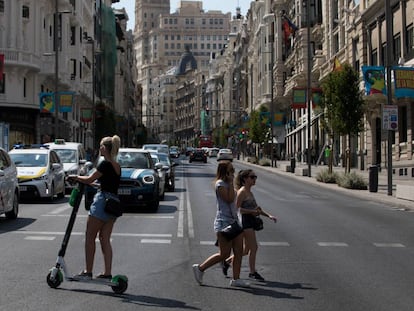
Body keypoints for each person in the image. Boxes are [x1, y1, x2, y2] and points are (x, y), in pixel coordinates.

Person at [68, 135, 121, 280]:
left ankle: (88, 271)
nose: (99, 149)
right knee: (105, 239)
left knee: (90, 236)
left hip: (102, 202)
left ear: (105, 148)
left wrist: (76, 177)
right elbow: (107, 184)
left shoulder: (104, 164)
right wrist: (92, 184)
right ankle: (107, 273)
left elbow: (90, 178)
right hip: (113, 204)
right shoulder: (117, 165)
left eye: (101, 146)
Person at [192, 161, 250, 288]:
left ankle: (236, 279)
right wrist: (229, 183)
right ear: (225, 172)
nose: (233, 172)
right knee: (224, 254)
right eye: (231, 170)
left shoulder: (230, 185)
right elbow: (228, 199)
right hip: (223, 223)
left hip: (235, 222)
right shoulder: (220, 184)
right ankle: (200, 268)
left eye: (233, 169)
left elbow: (234, 202)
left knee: (239, 252)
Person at [222, 169, 277, 281]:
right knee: (254, 248)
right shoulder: (242, 192)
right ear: (245, 179)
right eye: (252, 177)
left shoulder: (250, 192)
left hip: (250, 221)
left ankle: (227, 262)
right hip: (245, 222)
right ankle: (252, 272)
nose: (254, 179)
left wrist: (269, 216)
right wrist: (252, 212)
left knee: (246, 250)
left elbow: (256, 209)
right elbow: (237, 209)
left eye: (255, 177)